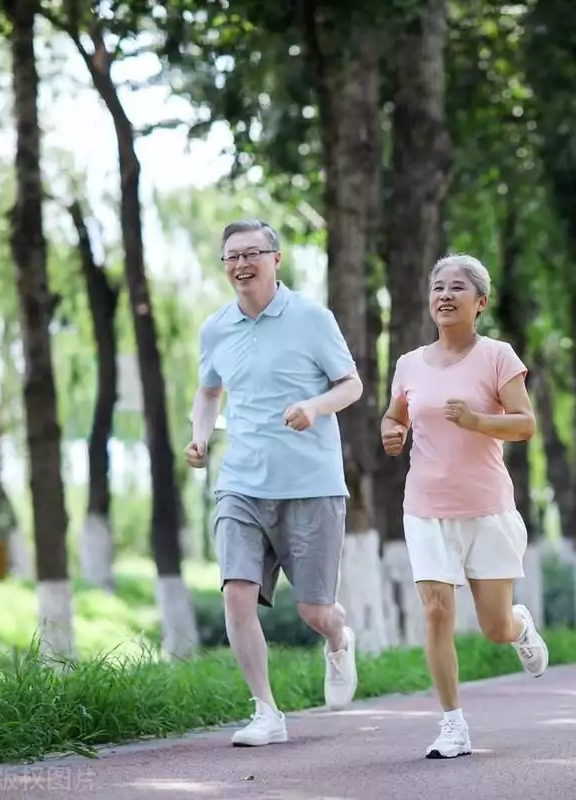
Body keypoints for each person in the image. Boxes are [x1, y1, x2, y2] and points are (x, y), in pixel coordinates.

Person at [185, 219, 362, 747]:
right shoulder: (216, 327)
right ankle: (266, 712)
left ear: (275, 259)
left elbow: (351, 384)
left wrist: (314, 406)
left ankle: (337, 635)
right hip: (241, 482)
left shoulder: (311, 317)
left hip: (311, 483)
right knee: (236, 596)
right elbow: (208, 392)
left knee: (313, 610)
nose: (241, 264)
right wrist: (199, 438)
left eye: (251, 254)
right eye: (231, 256)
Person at [380, 252, 549, 760]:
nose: (444, 296)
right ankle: (452, 723)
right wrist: (393, 432)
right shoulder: (409, 362)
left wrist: (478, 421)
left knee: (494, 627)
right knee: (436, 609)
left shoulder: (498, 356)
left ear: (481, 302)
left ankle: (519, 625)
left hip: (487, 509)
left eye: (457, 288)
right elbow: (396, 417)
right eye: (437, 287)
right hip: (426, 506)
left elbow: (525, 424)